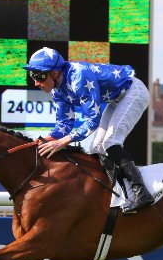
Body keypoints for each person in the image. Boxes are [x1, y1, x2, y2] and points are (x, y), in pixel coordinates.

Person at [23, 47, 154, 213]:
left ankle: (141, 192)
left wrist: (62, 142)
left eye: (39, 76)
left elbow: (93, 120)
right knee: (96, 148)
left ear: (55, 73)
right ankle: (115, 193)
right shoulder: (58, 89)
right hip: (116, 99)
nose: (36, 82)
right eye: (33, 75)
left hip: (133, 92)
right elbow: (64, 124)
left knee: (111, 142)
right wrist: (47, 140)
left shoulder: (79, 76)